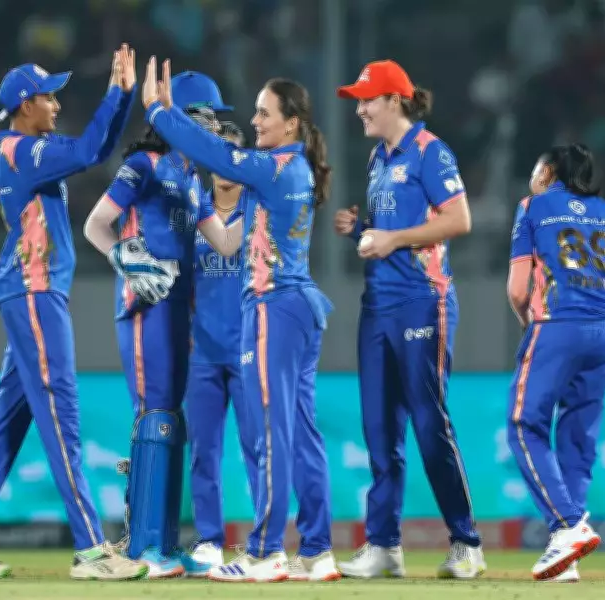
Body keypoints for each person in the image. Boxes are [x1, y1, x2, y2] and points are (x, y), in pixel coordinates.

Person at [0, 46, 147, 581]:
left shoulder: (24, 149)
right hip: (34, 292)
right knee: (61, 415)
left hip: (30, 291)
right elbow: (92, 148)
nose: (56, 104)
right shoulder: (24, 152)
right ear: (26, 104)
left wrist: (122, 97)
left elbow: (99, 147)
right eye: (49, 97)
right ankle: (92, 550)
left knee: (7, 423)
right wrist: (115, 92)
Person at [141, 56, 339, 583]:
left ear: (291, 123)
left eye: (263, 113)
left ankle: (267, 551)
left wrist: (160, 113)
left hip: (274, 305)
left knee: (272, 432)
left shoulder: (271, 167)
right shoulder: (292, 168)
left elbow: (215, 152)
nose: (254, 121)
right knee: (302, 434)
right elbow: (229, 234)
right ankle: (317, 550)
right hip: (301, 305)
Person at [83, 71, 241, 578]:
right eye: (210, 119)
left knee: (171, 419)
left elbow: (226, 243)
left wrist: (271, 201)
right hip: (146, 305)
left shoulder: (193, 180)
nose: (216, 130)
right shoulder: (144, 165)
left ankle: (165, 544)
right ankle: (143, 547)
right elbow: (95, 224)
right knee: (155, 416)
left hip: (178, 311)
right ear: (185, 118)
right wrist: (125, 260)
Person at [334, 59, 485, 580]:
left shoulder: (430, 151)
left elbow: (459, 219)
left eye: (367, 100)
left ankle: (467, 543)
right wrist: (361, 230)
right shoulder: (378, 158)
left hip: (423, 300)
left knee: (428, 423)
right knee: (379, 431)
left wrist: (392, 238)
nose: (360, 109)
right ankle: (384, 546)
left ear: (394, 100)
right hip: (376, 304)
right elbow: (391, 233)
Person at [506, 143, 605, 582]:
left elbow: (518, 289)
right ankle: (567, 556)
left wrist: (527, 321)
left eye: (536, 168)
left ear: (548, 172)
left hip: (557, 323)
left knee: (523, 423)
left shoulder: (532, 206)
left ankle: (567, 526)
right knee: (577, 437)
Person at [184, 121, 259, 575]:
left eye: (233, 154)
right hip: (204, 352)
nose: (225, 163)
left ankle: (263, 542)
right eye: (218, 153)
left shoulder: (259, 205)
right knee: (203, 452)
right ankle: (209, 540)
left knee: (257, 449)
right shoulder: (194, 209)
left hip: (249, 349)